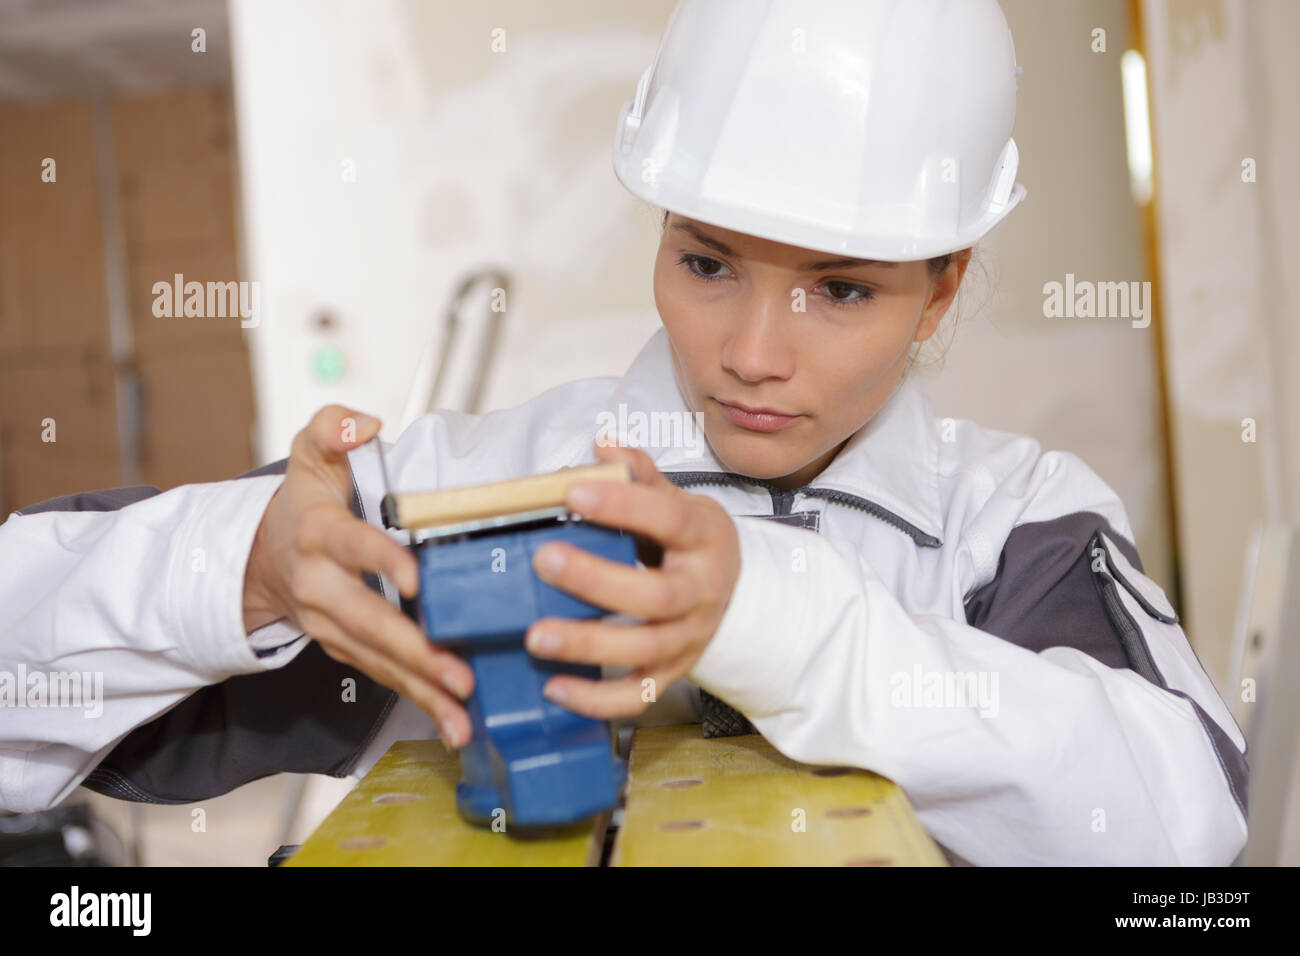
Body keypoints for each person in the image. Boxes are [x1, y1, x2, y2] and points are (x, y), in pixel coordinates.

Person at [0, 0, 1246, 866]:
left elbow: (1184, 829)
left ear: (946, 285)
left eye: (843, 287)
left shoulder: (1014, 518)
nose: (754, 350)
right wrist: (240, 569)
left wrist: (775, 618)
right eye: (706, 259)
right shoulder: (474, 491)